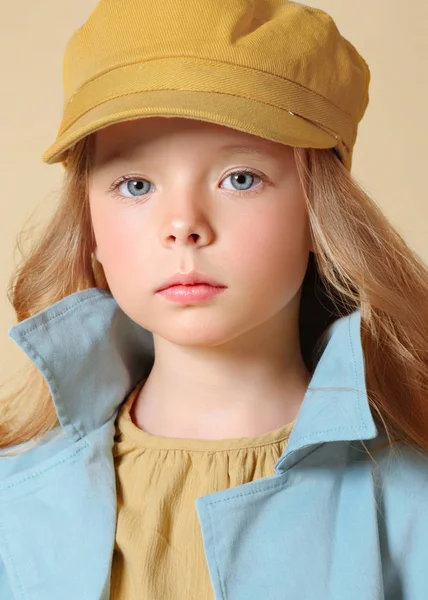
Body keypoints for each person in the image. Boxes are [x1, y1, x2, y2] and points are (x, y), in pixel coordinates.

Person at [0, 0, 427, 598]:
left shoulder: (411, 505)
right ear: (91, 227)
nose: (183, 225)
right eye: (135, 184)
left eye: (240, 178)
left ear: (318, 216)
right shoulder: (13, 507)